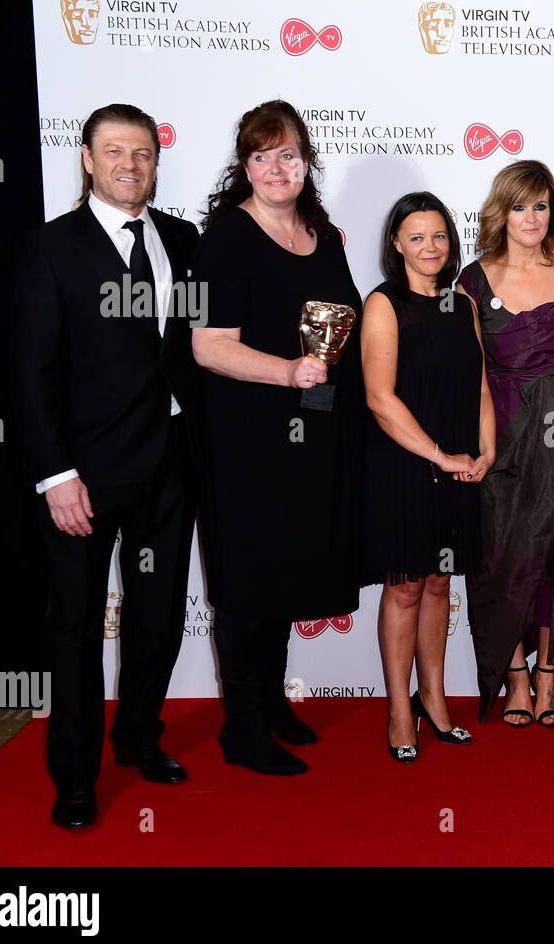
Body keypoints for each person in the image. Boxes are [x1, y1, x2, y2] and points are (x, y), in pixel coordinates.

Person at [11, 103, 198, 828]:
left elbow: (188, 351)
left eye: (144, 153)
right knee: (77, 628)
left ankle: (139, 740)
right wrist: (55, 475)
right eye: (115, 151)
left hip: (168, 469)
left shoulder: (181, 240)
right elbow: (30, 374)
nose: (131, 164)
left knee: (157, 619)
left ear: (156, 160)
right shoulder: (48, 249)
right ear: (86, 158)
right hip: (83, 477)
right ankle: (76, 777)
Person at [192, 100, 363, 776]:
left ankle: (271, 701)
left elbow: (342, 324)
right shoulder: (227, 237)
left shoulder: (324, 235)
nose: (276, 167)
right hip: (247, 441)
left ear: (307, 161)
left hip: (313, 434)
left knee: (291, 568)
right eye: (262, 156)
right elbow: (207, 347)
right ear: (245, 166)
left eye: (288, 154)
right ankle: (242, 725)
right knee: (247, 579)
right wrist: (288, 371)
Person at [456, 160, 554, 727]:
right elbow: (468, 368)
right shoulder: (472, 278)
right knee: (498, 558)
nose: (530, 217)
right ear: (500, 212)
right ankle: (514, 675)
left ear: (553, 212)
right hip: (499, 432)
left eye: (540, 205)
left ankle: (549, 677)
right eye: (519, 205)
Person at [360, 192, 493, 762]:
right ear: (396, 244)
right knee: (407, 585)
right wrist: (440, 457)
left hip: (462, 466)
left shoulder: (462, 304)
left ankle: (434, 699)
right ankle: (398, 710)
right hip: (406, 465)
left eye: (438, 235)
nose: (430, 247)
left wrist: (486, 451)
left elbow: (482, 386)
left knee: (440, 583)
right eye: (416, 237)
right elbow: (379, 399)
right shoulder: (384, 305)